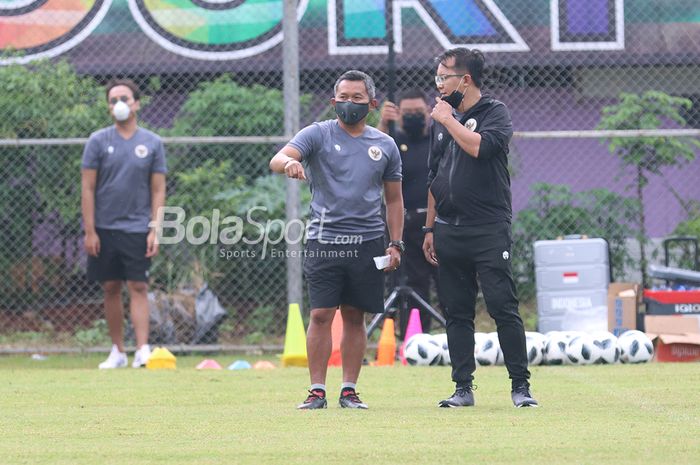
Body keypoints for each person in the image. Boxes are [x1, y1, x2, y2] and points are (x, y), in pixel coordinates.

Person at [270, 70, 404, 410]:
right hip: (324, 239)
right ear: (333, 102)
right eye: (343, 97)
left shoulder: (384, 145)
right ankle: (317, 390)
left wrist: (396, 243)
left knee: (356, 316)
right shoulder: (317, 134)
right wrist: (289, 164)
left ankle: (349, 389)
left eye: (357, 98)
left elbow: (393, 200)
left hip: (369, 241)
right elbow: (278, 158)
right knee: (320, 315)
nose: (349, 104)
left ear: (371, 104)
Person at [422, 48, 538, 408]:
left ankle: (521, 387)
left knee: (502, 306)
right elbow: (433, 177)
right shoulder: (442, 122)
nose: (439, 84)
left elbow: (481, 148)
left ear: (465, 80)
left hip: (488, 228)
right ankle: (462, 388)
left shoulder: (494, 112)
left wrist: (448, 120)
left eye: (445, 77)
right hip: (448, 229)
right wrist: (429, 229)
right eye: (437, 77)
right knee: (457, 312)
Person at [81, 78, 167, 369]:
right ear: (108, 106)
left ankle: (143, 349)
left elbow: (158, 189)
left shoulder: (152, 142)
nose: (119, 104)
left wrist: (155, 228)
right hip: (104, 229)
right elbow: (88, 188)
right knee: (110, 287)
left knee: (138, 286)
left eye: (124, 98)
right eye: (113, 100)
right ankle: (118, 351)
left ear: (136, 103)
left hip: (137, 228)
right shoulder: (97, 141)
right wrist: (90, 230)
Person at [377, 89, 439, 338]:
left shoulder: (438, 138)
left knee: (446, 280)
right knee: (407, 282)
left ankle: (447, 338)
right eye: (408, 113)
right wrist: (383, 122)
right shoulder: (391, 140)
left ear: (428, 112)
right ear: (399, 114)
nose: (414, 117)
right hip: (403, 222)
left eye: (419, 112)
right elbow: (369, 154)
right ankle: (411, 337)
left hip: (436, 223)